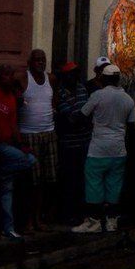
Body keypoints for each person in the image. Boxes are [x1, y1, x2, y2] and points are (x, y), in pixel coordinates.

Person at [71, 64, 135, 233]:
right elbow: (131, 127)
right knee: (114, 185)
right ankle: (111, 221)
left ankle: (94, 221)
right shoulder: (128, 99)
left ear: (104, 79)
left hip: (98, 149)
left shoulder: (97, 96)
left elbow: (81, 115)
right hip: (118, 150)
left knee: (94, 184)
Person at [0, 64, 37, 240]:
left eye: (11, 75)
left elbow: (13, 125)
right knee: (28, 161)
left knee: (7, 188)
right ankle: (3, 173)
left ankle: (8, 228)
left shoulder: (10, 97)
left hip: (8, 144)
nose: (10, 79)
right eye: (7, 75)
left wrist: (21, 144)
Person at [17, 48, 58, 233]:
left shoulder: (51, 79)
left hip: (48, 133)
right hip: (29, 134)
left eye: (43, 59)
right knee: (30, 181)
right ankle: (27, 221)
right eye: (37, 60)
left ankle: (39, 217)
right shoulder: (23, 79)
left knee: (45, 180)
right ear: (30, 62)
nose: (41, 63)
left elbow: (53, 101)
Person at [55, 61, 92, 226]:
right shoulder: (60, 93)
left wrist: (80, 117)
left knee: (83, 179)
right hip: (69, 144)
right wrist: (81, 117)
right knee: (69, 180)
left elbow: (86, 113)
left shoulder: (82, 89)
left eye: (76, 73)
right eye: (71, 74)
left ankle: (80, 212)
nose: (74, 77)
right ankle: (67, 213)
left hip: (84, 141)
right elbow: (68, 117)